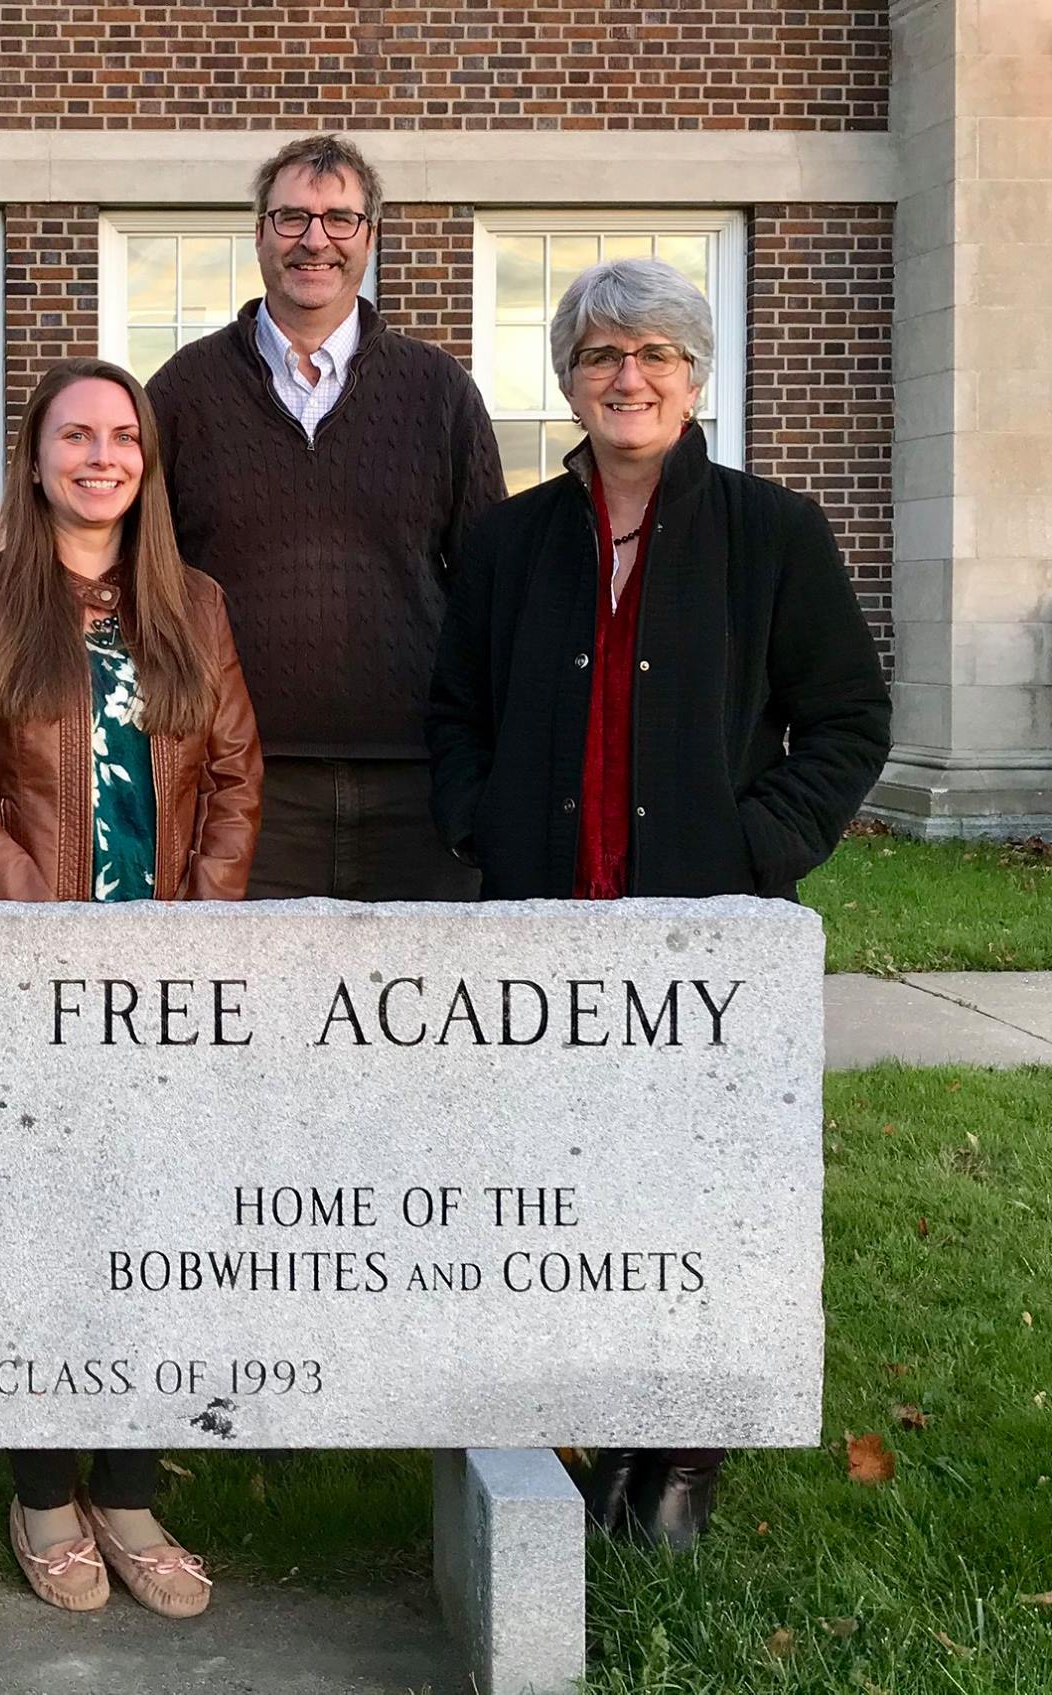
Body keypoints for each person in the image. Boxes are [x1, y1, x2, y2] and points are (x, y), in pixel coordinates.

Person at [425, 258, 890, 1547]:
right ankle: (577, 1425)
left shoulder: (771, 532)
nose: (625, 380)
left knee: (687, 1193)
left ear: (694, 377)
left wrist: (757, 846)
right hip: (542, 924)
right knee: (562, 1192)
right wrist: (480, 818)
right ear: (568, 380)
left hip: (701, 934)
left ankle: (675, 1452)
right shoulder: (514, 537)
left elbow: (846, 720)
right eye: (598, 357)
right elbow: (453, 710)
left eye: (653, 357)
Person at [0, 358, 261, 1615]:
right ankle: (42, 1486)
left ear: (146, 462)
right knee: (44, 1222)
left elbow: (230, 772)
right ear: (37, 455)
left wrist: (194, 933)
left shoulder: (193, 603)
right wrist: (34, 924)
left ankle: (125, 1488)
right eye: (76, 436)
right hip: (30, 972)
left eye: (121, 438)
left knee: (149, 1223)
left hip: (162, 972)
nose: (99, 457)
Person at [146, 133, 504, 903]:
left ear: (369, 238)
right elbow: (144, 576)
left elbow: (489, 591)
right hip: (242, 785)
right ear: (259, 235)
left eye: (341, 219)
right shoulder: (182, 393)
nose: (316, 240)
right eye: (292, 218)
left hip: (418, 784)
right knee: (254, 1015)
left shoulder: (439, 393)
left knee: (426, 1016)